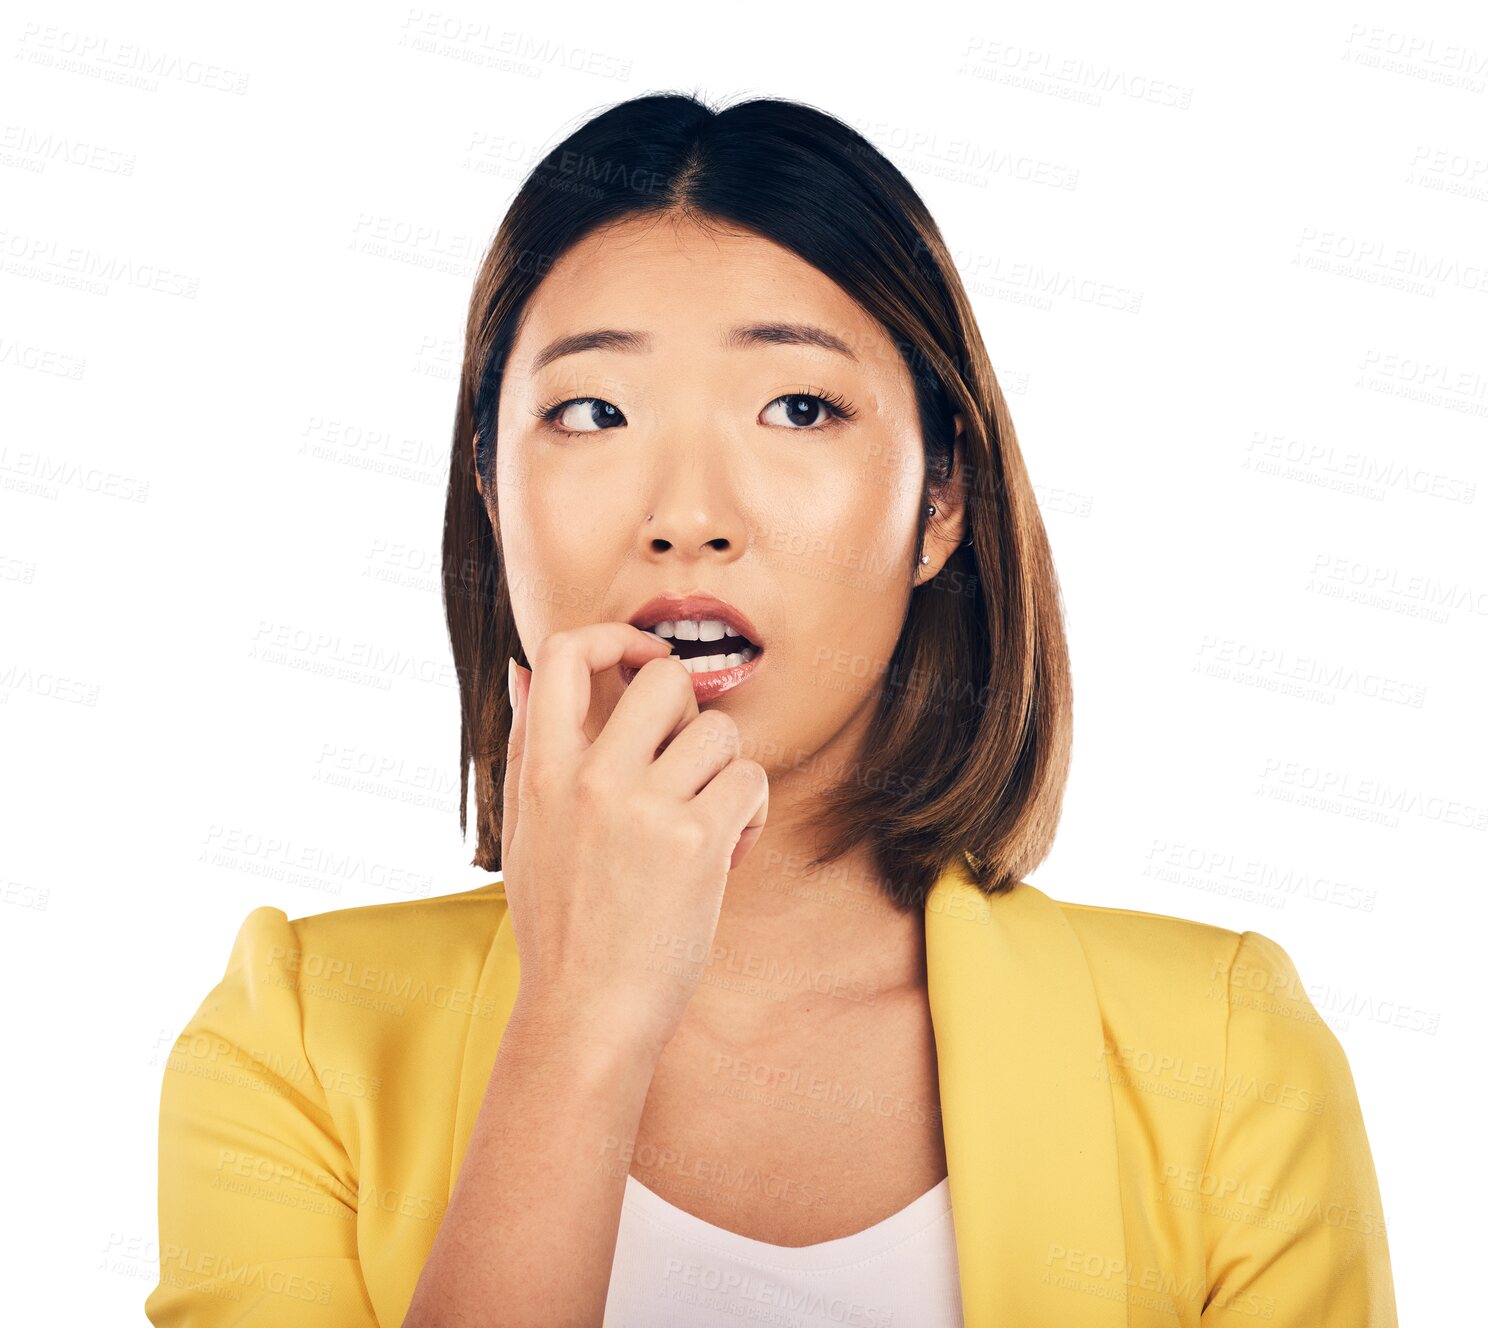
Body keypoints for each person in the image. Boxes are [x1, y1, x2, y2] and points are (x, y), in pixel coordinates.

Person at [147, 91, 1398, 1327]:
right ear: (488, 490)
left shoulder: (1226, 1059)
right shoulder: (296, 1039)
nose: (689, 511)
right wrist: (579, 1024)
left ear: (941, 500)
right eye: (593, 412)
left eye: (798, 407)